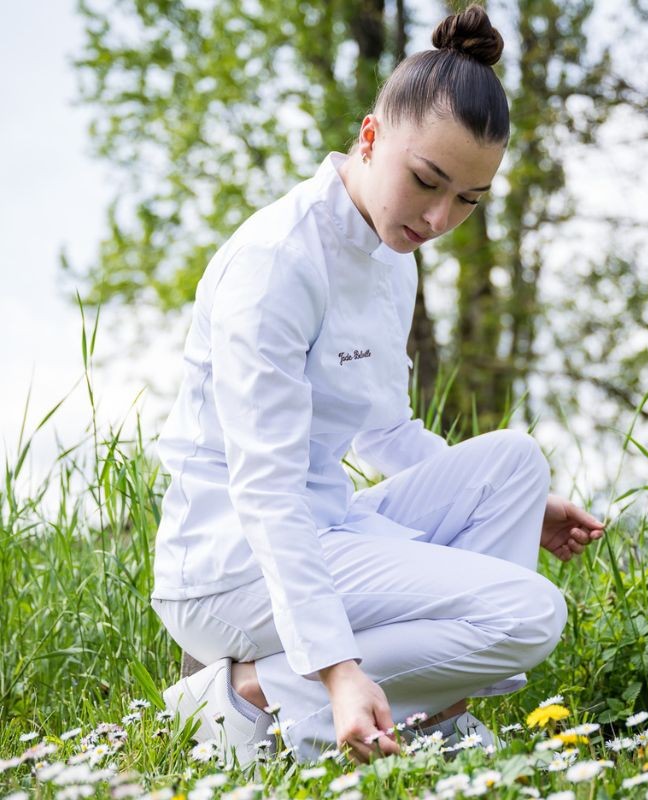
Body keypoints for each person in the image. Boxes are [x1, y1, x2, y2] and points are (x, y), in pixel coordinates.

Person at [150, 3, 605, 768]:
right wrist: (335, 667)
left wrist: (526, 511)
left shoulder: (394, 259)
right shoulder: (277, 262)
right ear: (369, 136)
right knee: (529, 613)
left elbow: (386, 432)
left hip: (324, 522)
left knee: (516, 465)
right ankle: (244, 703)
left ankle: (431, 712)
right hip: (228, 561)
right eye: (426, 181)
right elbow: (265, 489)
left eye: (468, 200)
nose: (439, 217)